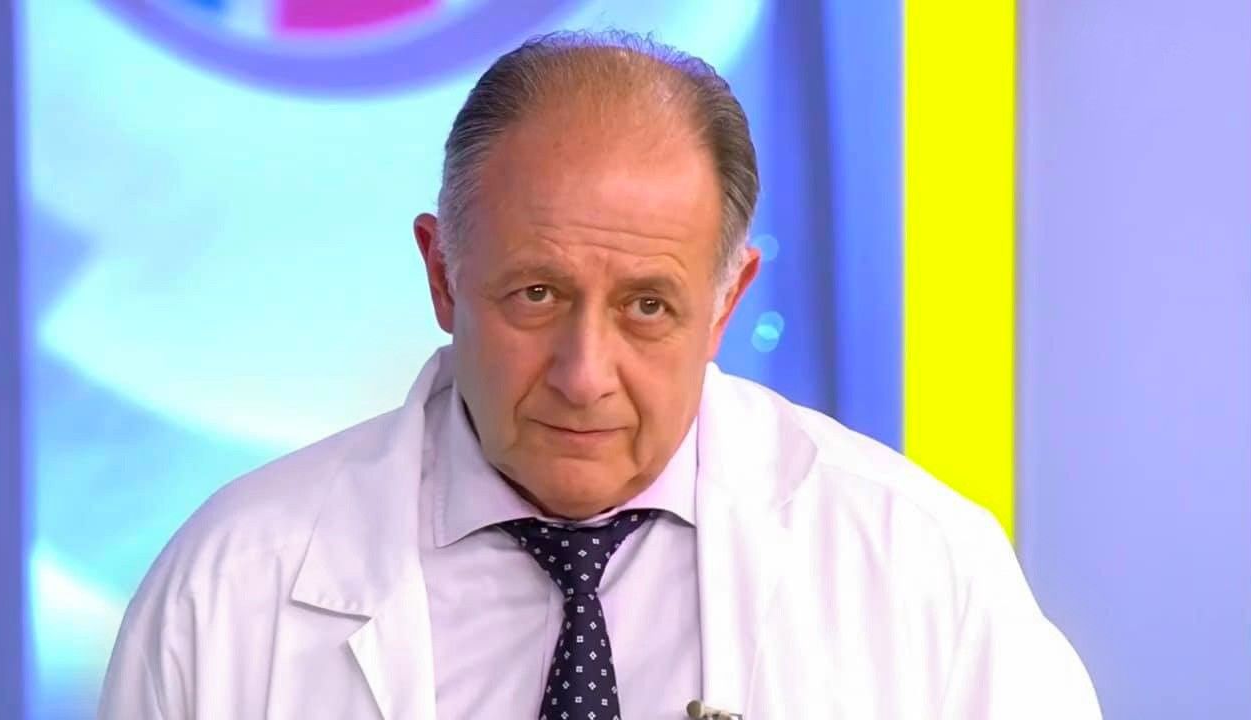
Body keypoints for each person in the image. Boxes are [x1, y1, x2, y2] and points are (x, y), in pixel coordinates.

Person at [99, 31, 1100, 719]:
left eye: (647, 307)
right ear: (442, 275)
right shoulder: (228, 588)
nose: (584, 376)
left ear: (727, 302)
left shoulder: (920, 570)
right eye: (536, 295)